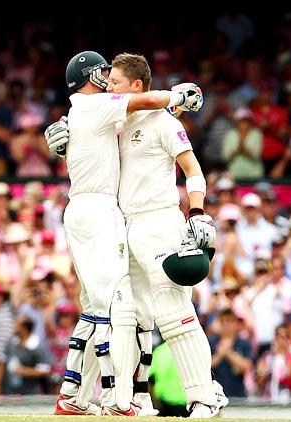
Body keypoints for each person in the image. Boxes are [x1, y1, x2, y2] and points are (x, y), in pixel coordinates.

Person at [46, 53, 224, 417]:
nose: (107, 87)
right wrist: (65, 139)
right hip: (122, 225)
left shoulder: (163, 121)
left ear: (136, 86)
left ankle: (203, 395)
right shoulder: (114, 120)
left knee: (172, 311)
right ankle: (128, 398)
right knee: (123, 315)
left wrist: (198, 210)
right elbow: (88, 133)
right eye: (106, 81)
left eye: (114, 83)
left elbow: (193, 169)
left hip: (159, 221)